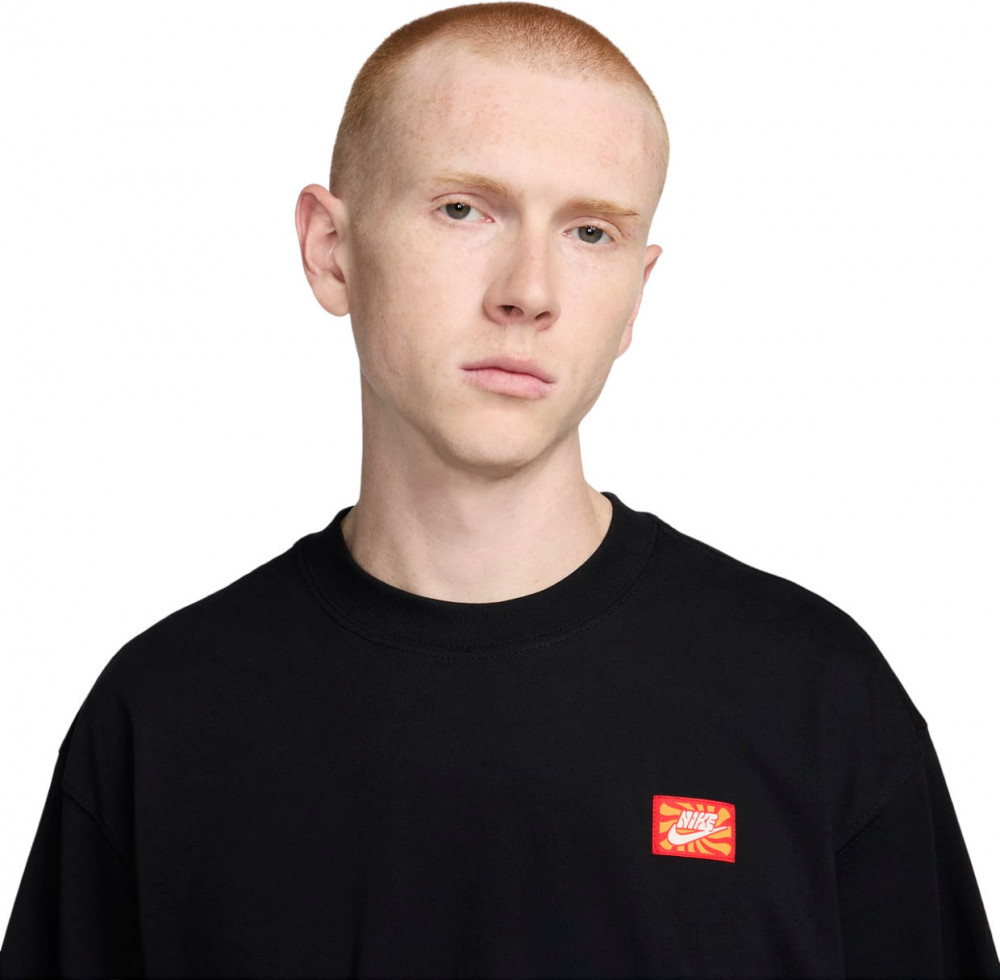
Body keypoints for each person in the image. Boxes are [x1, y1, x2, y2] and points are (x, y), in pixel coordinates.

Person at [1, 2, 998, 976]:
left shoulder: (816, 701)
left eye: (591, 232)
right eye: (463, 209)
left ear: (636, 294)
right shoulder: (165, 719)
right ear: (330, 249)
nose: (529, 290)